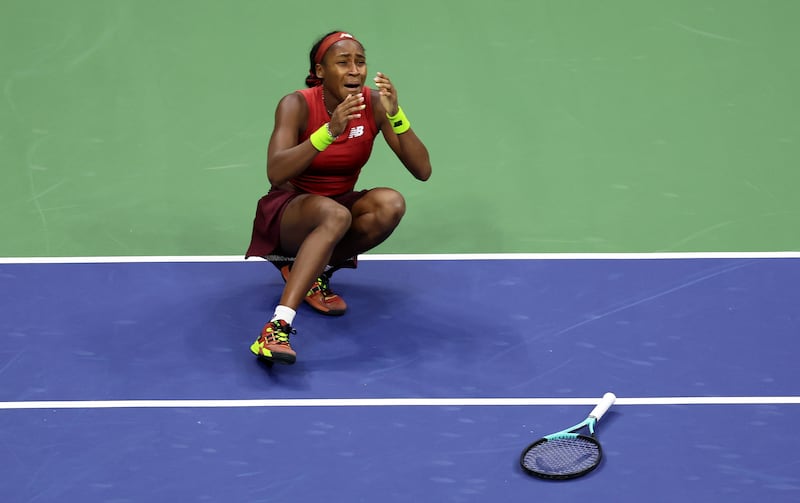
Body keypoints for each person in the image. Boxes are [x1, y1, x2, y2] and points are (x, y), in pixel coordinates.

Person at [245, 31, 432, 365]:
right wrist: (328, 132)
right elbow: (275, 172)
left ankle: (315, 270)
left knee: (390, 204)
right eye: (343, 62)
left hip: (338, 209)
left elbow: (422, 170)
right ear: (320, 71)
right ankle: (275, 328)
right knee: (334, 215)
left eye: (360, 62)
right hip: (289, 213)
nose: (354, 70)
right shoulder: (297, 104)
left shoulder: (373, 104)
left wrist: (395, 114)